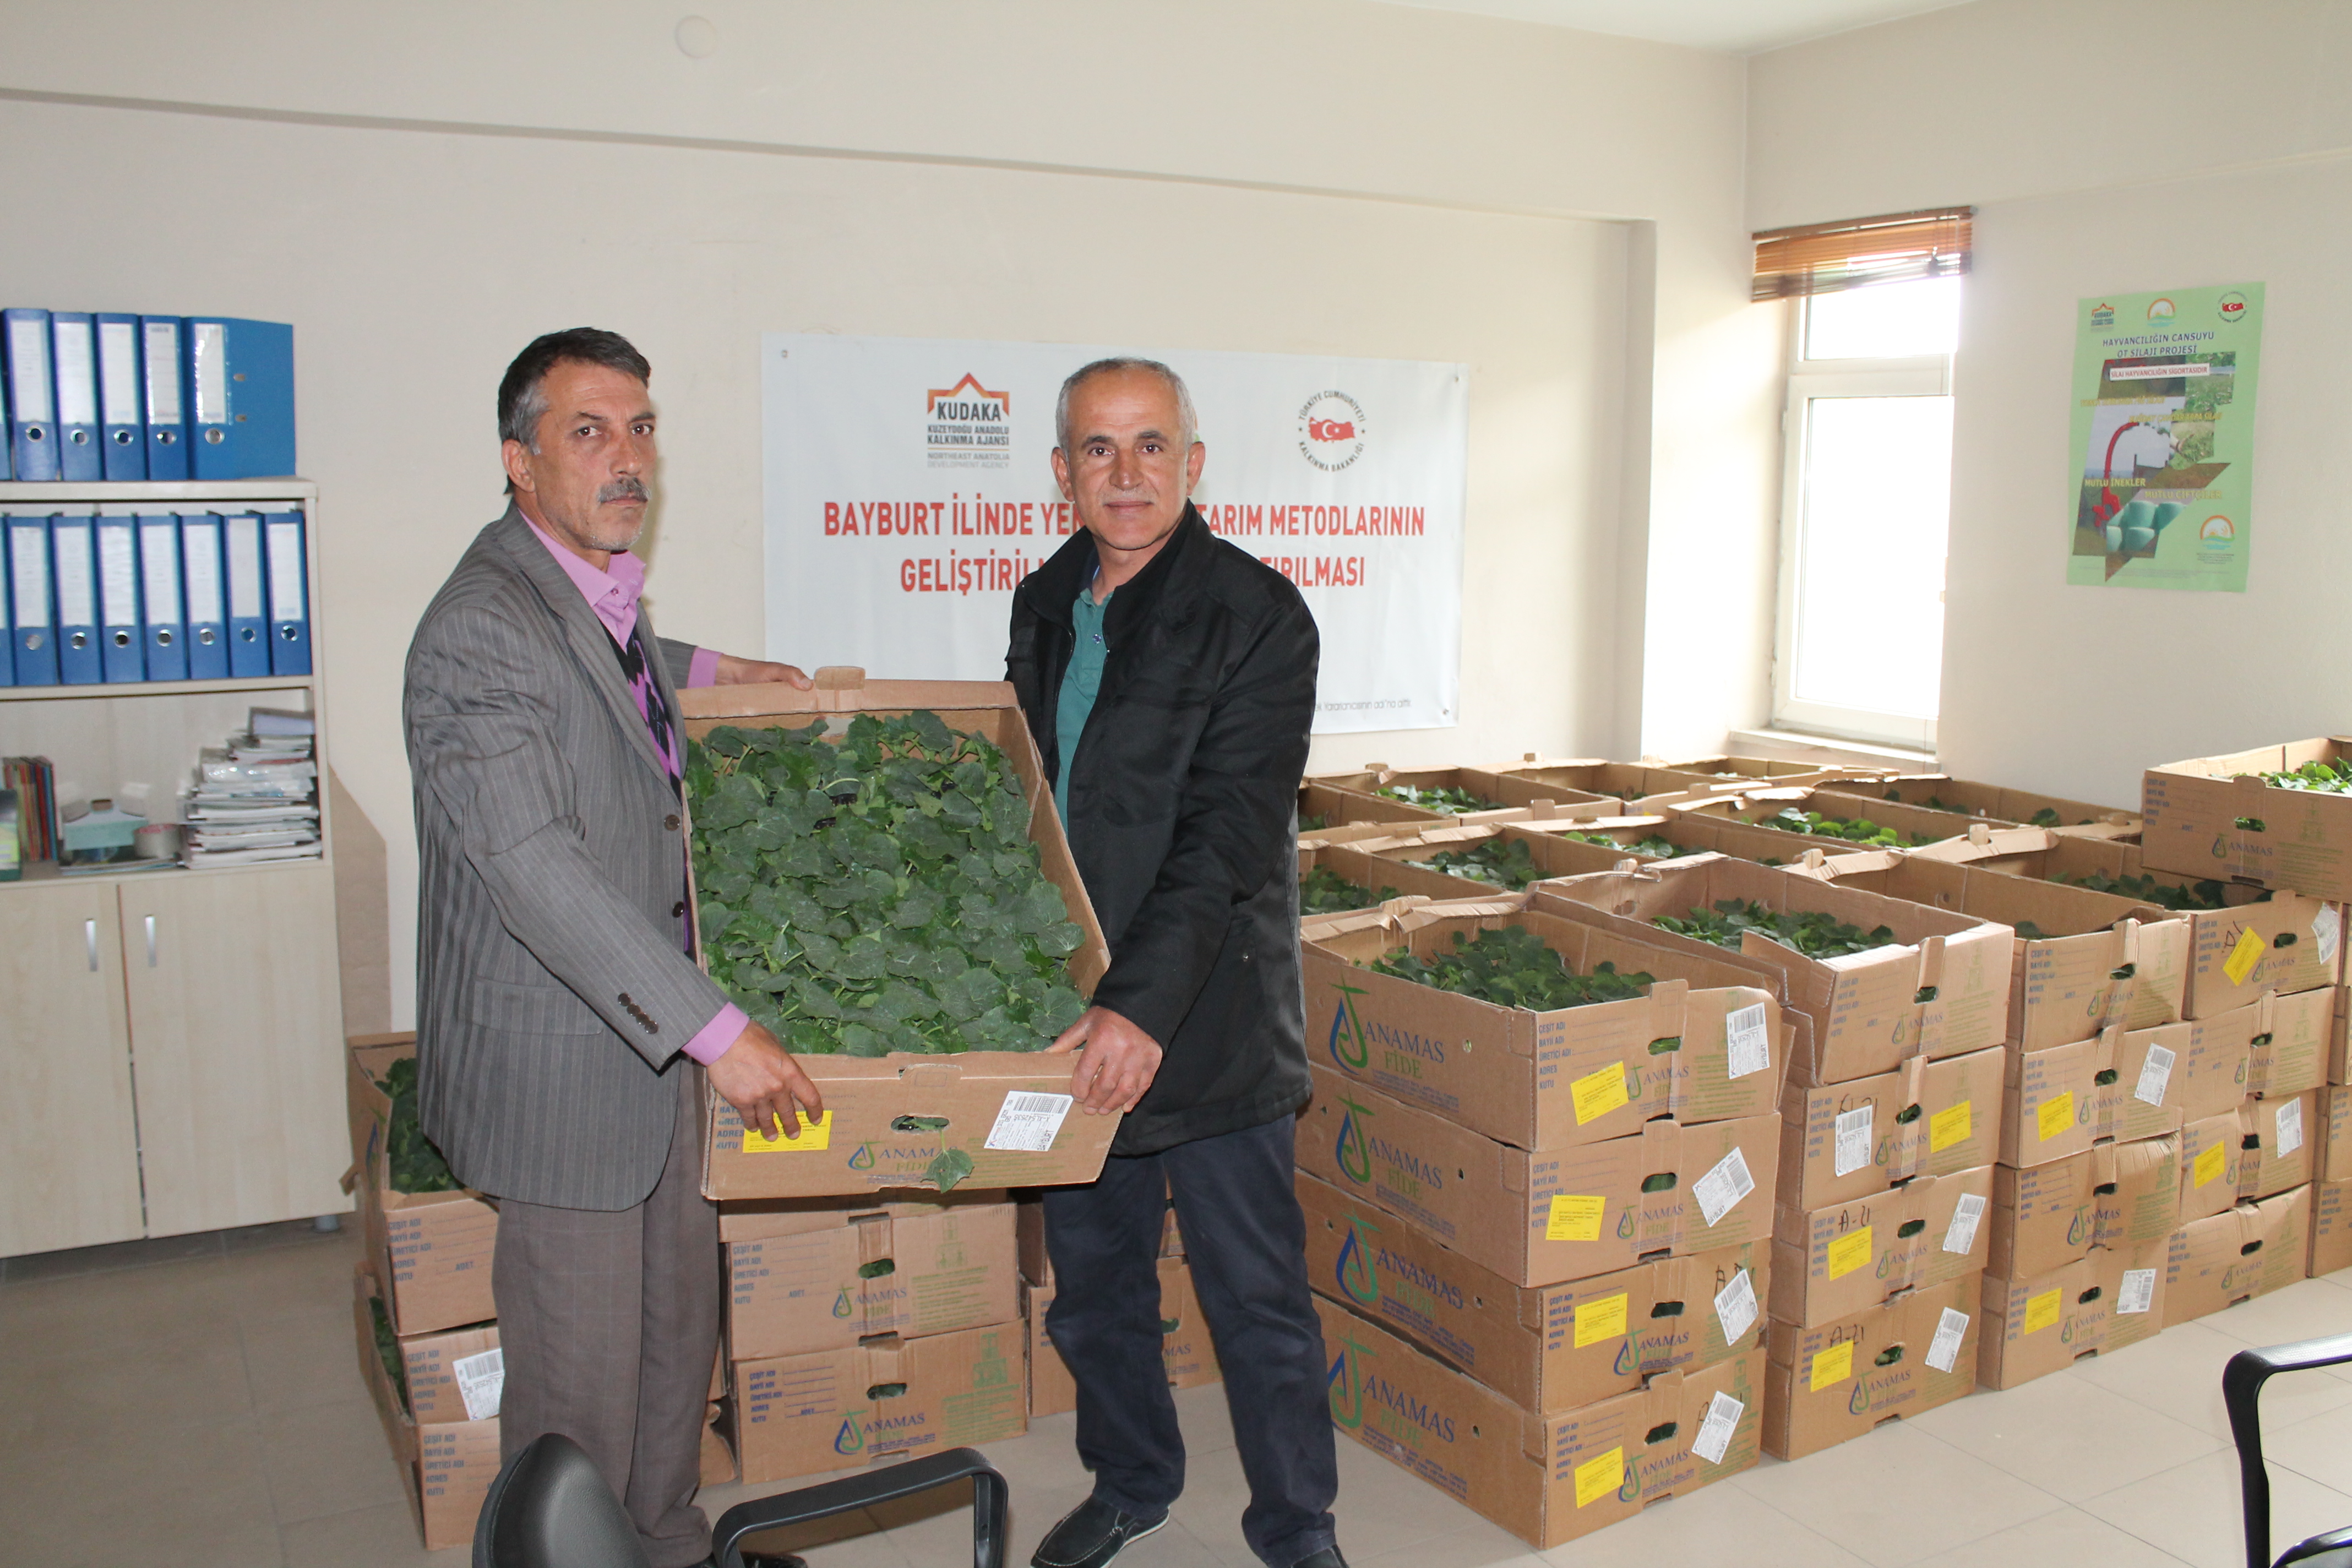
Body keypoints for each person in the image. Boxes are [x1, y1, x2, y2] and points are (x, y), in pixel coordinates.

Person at [405, 328, 824, 1568]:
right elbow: (533, 863)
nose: (625, 456)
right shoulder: (477, 628)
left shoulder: (585, 584)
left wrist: (716, 669)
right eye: (587, 431)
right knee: (579, 1395)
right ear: (519, 459)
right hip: (563, 1072)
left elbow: (611, 669)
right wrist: (719, 1030)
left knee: (673, 1347)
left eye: (640, 428)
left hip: (650, 1057)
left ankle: (667, 1542)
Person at [1008, 358, 1344, 1568]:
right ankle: (1133, 1479)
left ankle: (1297, 1525)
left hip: (1206, 1022)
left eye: (1151, 445)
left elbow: (1227, 839)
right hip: (1075, 1019)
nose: (1127, 473)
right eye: (1098, 448)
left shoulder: (1257, 614)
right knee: (1096, 1291)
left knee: (1256, 1299)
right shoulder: (1047, 599)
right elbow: (1038, 800)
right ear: (1063, 472)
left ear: (1193, 463)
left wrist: (1139, 1010)